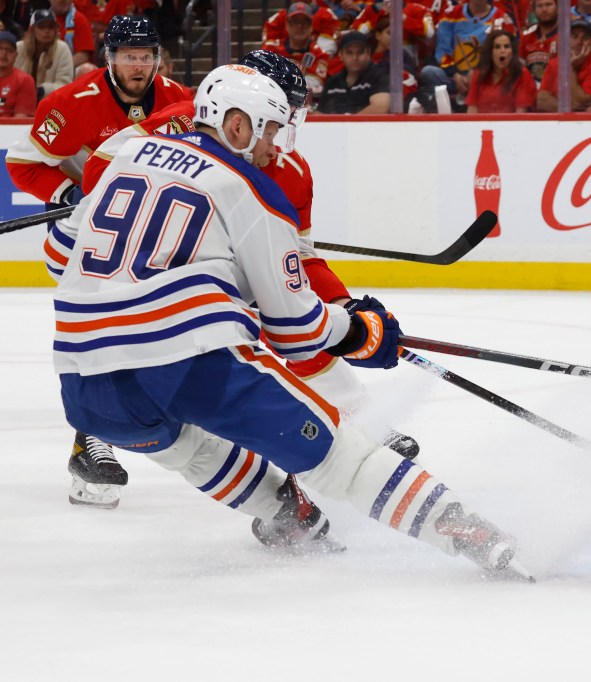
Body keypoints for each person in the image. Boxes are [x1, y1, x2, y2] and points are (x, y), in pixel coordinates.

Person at [54, 63, 532, 580]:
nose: (275, 148)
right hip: (189, 357)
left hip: (82, 379)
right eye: (272, 130)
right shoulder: (250, 187)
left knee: (190, 450)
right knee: (338, 455)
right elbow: (297, 331)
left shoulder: (127, 154)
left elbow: (61, 252)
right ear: (238, 125)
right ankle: (471, 533)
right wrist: (359, 332)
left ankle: (287, 515)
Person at [72, 49, 421, 544]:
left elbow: (298, 264)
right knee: (131, 361)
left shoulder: (291, 170)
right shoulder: (175, 127)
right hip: (142, 271)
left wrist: (343, 310)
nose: (285, 131)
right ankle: (93, 438)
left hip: (213, 278)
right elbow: (103, 173)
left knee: (281, 329)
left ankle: (341, 432)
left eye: (291, 115)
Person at [5, 14, 192, 509]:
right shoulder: (72, 103)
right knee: (100, 331)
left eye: (146, 55)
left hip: (146, 236)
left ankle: (111, 430)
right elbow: (21, 163)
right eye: (129, 56)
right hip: (84, 237)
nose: (139, 65)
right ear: (108, 59)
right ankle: (91, 441)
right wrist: (70, 192)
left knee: (155, 331)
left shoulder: (180, 100)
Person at [418, 0, 516, 112]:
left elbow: (507, 55)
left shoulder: (502, 19)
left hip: (487, 77)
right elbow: (443, 50)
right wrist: (455, 74)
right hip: (455, 77)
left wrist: (479, 72)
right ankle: (448, 112)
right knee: (428, 72)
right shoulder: (451, 14)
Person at [260, 2, 337, 98]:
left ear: (311, 26)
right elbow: (261, 79)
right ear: (287, 25)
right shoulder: (270, 49)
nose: (300, 26)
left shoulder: (320, 54)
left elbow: (316, 87)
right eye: (295, 21)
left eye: (305, 22)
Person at [536, 18, 591, 112]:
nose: (579, 42)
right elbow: (541, 100)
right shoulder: (555, 63)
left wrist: (571, 68)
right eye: (574, 36)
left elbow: (578, 104)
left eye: (585, 38)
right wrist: (568, 110)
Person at [317, 30, 389, 114]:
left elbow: (381, 107)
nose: (355, 58)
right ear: (341, 55)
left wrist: (347, 125)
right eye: (349, 53)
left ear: (368, 53)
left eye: (360, 52)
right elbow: (319, 114)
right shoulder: (332, 82)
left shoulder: (379, 75)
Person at [466, 28, 535, 113]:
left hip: (511, 125)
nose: (502, 51)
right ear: (490, 52)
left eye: (506, 47)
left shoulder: (522, 74)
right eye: (497, 47)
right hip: (483, 125)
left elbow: (520, 116)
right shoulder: (478, 74)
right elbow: (471, 112)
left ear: (512, 51)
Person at [14, 8, 71, 99]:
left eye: (50, 27)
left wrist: (42, 90)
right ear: (32, 29)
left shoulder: (62, 49)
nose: (46, 31)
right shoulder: (19, 48)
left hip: (50, 101)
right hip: (19, 99)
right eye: (41, 27)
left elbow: (65, 85)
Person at [520, 0, 557, 83]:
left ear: (558, 7)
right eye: (540, 6)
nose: (544, 9)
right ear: (534, 10)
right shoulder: (526, 38)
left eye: (548, 4)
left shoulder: (566, 37)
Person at [0, 29, 35, 115]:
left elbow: (20, 119)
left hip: (10, 128)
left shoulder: (24, 80)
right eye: (0, 48)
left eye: (9, 50)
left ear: (16, 55)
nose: (3, 53)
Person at [48, 0, 93, 67]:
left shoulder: (79, 19)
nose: (63, 1)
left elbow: (83, 56)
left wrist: (61, 68)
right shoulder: (42, 21)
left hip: (71, 69)